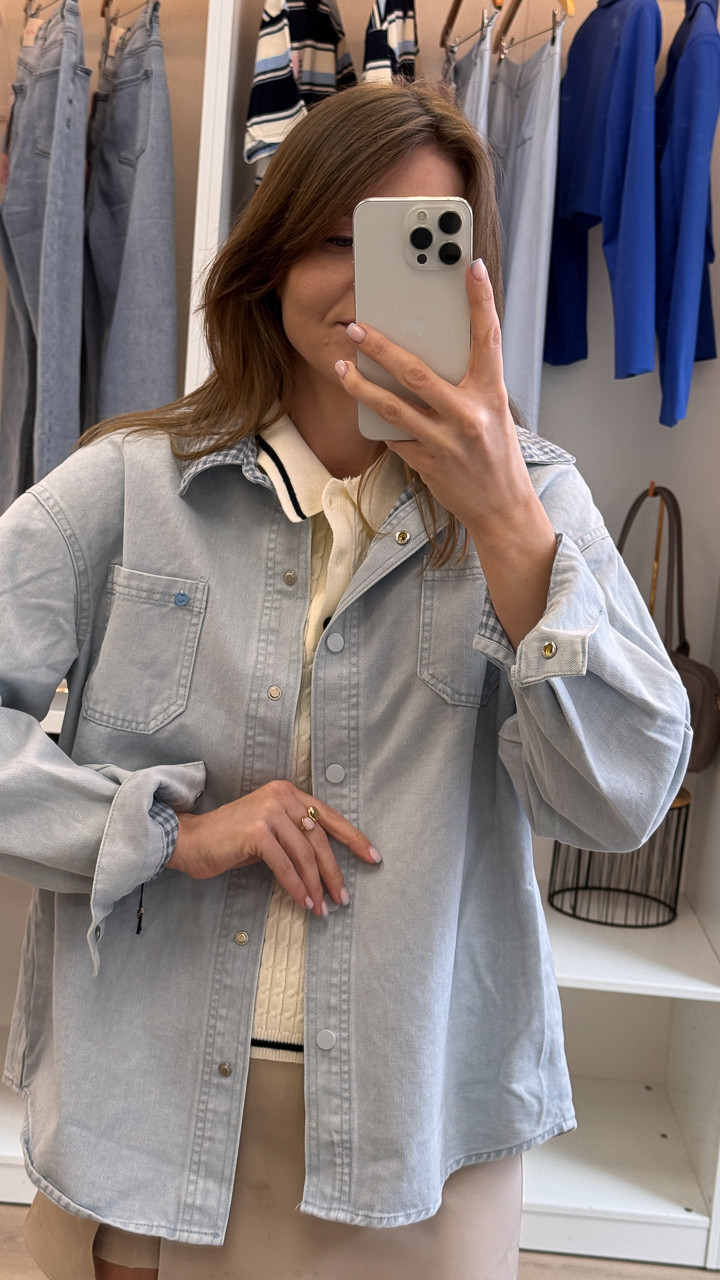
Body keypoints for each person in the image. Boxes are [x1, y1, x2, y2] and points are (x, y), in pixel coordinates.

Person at [0, 80, 690, 1280]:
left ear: (471, 275)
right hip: (143, 1118)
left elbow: (622, 800)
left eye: (415, 242)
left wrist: (506, 524)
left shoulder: (537, 500)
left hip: (420, 1133)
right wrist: (168, 830)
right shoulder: (132, 484)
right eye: (334, 237)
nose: (369, 280)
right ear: (271, 261)